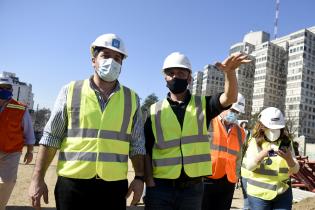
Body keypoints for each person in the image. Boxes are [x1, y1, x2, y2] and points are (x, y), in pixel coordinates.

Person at [28, 33, 146, 210]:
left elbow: (137, 145)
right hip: (72, 185)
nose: (112, 62)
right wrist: (37, 178)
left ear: (122, 64)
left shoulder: (132, 99)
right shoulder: (71, 91)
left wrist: (139, 178)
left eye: (117, 58)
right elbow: (51, 137)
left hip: (113, 187)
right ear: (93, 60)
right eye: (105, 56)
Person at [144, 52, 251, 210]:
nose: (175, 77)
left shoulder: (203, 105)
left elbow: (229, 98)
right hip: (160, 188)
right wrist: (149, 180)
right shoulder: (154, 111)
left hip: (192, 190)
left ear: (189, 78)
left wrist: (229, 72)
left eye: (181, 73)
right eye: (171, 73)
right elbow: (146, 149)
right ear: (165, 77)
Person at [241, 107, 300, 210]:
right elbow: (249, 167)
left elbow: (295, 169)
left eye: (277, 128)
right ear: (262, 126)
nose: (274, 132)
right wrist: (262, 155)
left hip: (282, 193)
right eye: (271, 128)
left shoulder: (286, 143)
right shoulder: (255, 142)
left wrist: (289, 159)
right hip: (258, 195)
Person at [202, 93, 246, 210]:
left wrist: (236, 176)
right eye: (232, 110)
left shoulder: (241, 132)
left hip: (228, 181)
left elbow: (238, 157)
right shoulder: (208, 123)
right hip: (207, 178)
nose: (234, 114)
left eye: (237, 112)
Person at [0, 78, 35, 210]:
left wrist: (30, 151)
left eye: (8, 88)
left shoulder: (20, 108)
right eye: (2, 87)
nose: (5, 90)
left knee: (7, 182)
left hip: (12, 152)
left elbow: (29, 133)